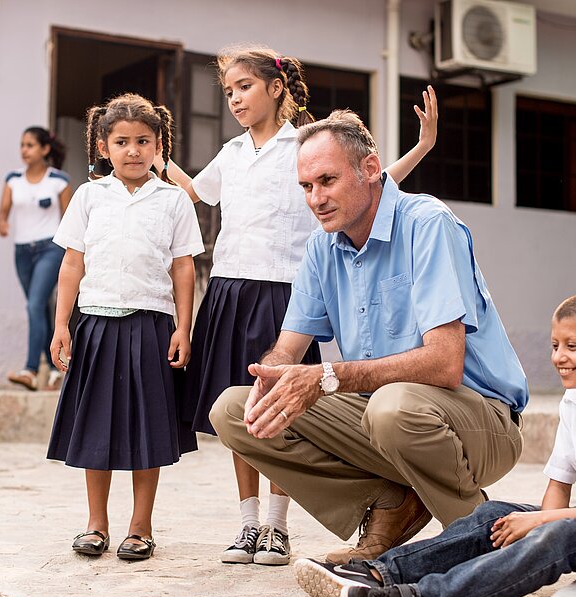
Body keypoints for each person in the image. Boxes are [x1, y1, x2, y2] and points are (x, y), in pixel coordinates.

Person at [209, 110, 528, 566]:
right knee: (237, 411)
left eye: (327, 180)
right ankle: (392, 504)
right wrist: (274, 373)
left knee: (391, 407)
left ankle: (479, 540)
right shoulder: (322, 247)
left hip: (479, 421)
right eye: (306, 186)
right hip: (386, 417)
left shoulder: (427, 223)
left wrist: (325, 377)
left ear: (371, 169)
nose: (315, 198)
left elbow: (444, 363)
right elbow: (288, 346)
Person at [162, 44, 439, 566]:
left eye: (245, 87)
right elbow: (196, 193)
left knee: (283, 408)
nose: (236, 100)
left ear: (276, 86)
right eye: (229, 92)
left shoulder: (305, 146)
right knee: (237, 410)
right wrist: (158, 158)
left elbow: (374, 180)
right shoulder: (232, 152)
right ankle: (248, 526)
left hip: (285, 294)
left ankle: (277, 527)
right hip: (228, 289)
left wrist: (422, 146)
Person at [292, 291, 576, 597]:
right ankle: (381, 573)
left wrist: (545, 525)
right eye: (555, 345)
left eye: (573, 346)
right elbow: (559, 484)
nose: (559, 356)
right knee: (494, 514)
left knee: (556, 539)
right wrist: (540, 519)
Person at [46, 93, 204, 562]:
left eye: (143, 141)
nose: (133, 150)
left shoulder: (174, 200)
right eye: (122, 142)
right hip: (95, 325)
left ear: (159, 146)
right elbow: (72, 264)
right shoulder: (90, 197)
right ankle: (96, 524)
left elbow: (183, 268)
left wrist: (183, 327)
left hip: (152, 327)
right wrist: (61, 325)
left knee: (146, 428)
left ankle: (141, 526)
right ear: (102, 147)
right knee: (95, 426)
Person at [0, 126, 73, 391]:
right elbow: (3, 212)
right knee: (37, 307)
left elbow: (70, 220)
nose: (24, 150)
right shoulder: (13, 179)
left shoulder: (59, 181)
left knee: (34, 305)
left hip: (50, 249)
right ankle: (53, 369)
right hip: (22, 252)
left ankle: (29, 369)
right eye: (22, 145)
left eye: (30, 145)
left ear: (45, 149)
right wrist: (3, 224)